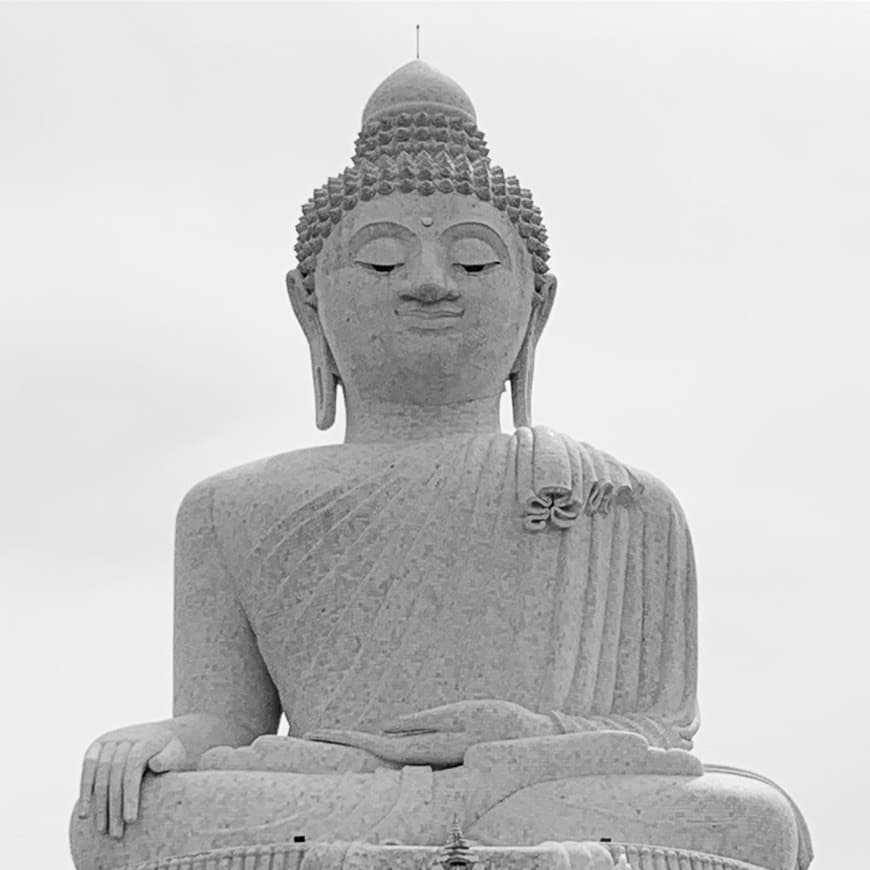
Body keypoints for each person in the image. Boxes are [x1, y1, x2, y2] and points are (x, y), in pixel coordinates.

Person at [71, 61, 811, 870]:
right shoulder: (230, 506)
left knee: (757, 820)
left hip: (538, 788)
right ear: (307, 304)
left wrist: (521, 739)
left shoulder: (626, 501)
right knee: (124, 821)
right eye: (384, 263)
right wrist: (162, 741)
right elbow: (223, 722)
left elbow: (658, 732)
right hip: (333, 786)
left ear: (539, 305)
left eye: (474, 264)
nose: (428, 285)